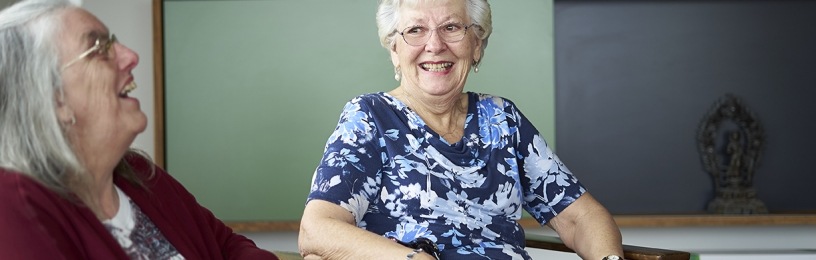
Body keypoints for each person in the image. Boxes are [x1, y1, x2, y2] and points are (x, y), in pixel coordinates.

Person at [298, 0, 624, 259]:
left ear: (477, 44)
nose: (435, 45)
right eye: (415, 30)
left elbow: (580, 217)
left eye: (451, 27)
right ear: (394, 50)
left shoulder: (502, 119)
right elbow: (318, 229)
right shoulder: (370, 117)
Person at [0, 0, 278, 259]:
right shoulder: (14, 206)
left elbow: (227, 247)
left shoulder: (140, 175)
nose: (131, 56)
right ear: (52, 97)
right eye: (98, 47)